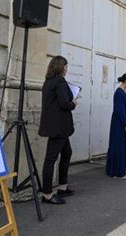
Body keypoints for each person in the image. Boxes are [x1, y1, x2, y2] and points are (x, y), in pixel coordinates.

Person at [38, 56, 77, 204]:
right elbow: (64, 103)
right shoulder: (60, 81)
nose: (67, 69)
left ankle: (62, 187)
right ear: (61, 67)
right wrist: (73, 103)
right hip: (59, 127)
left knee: (67, 153)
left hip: (56, 126)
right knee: (50, 159)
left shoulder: (48, 82)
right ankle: (47, 194)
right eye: (66, 66)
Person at [106, 73, 126, 179]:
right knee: (118, 146)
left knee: (125, 146)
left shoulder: (125, 93)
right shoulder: (118, 93)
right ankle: (116, 172)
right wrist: (125, 124)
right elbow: (119, 110)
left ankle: (123, 169)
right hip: (119, 124)